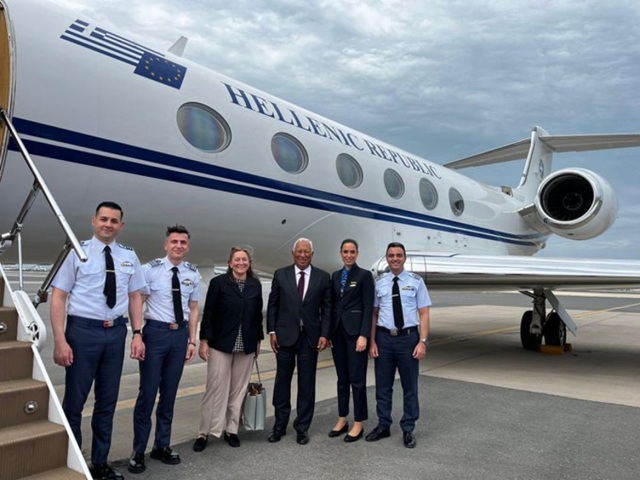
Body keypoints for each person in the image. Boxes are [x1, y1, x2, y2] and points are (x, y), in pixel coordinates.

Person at [51, 201, 146, 480]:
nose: (108, 224)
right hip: (83, 332)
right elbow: (59, 297)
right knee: (75, 403)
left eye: (114, 221)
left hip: (115, 333)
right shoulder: (76, 251)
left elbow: (135, 296)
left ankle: (100, 463)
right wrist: (60, 340)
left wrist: (137, 333)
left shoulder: (128, 255)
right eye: (103, 219)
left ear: (121, 226)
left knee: (107, 402)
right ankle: (73, 462)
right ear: (94, 221)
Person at [128, 225, 201, 474]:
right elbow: (138, 302)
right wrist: (137, 334)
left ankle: (162, 445)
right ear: (165, 244)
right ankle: (139, 450)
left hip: (179, 336)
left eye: (183, 242)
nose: (178, 246)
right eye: (174, 242)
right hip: (155, 334)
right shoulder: (150, 270)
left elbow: (193, 308)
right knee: (147, 394)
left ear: (187, 246)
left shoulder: (192, 273)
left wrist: (192, 341)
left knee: (169, 395)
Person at [193, 246, 264, 452]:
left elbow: (257, 315)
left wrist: (258, 340)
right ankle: (204, 432)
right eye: (237, 259)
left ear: (249, 263)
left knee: (238, 390)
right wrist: (204, 340)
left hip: (246, 343)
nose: (241, 263)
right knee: (215, 388)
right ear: (230, 263)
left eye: (244, 259)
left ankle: (231, 430)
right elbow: (209, 313)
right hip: (220, 343)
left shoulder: (255, 284)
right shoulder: (219, 283)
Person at [366, 242, 431, 449]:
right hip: (384, 339)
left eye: (399, 255)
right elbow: (374, 314)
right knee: (383, 387)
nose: (395, 258)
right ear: (387, 258)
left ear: (404, 258)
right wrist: (372, 341)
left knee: (410, 387)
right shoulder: (379, 283)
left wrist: (422, 342)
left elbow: (424, 313)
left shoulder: (416, 282)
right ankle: (383, 425)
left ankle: (408, 428)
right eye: (391, 255)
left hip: (408, 340)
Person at [267, 238, 331, 445]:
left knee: (307, 384)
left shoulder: (323, 277)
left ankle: (302, 427)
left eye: (306, 252)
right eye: (299, 251)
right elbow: (273, 304)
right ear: (293, 253)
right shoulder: (281, 274)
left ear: (312, 254)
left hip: (309, 338)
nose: (303, 255)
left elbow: (327, 309)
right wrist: (272, 331)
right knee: (282, 383)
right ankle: (279, 426)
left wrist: (324, 334)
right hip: (285, 337)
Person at [328, 239, 374, 442]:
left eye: (352, 252)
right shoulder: (335, 276)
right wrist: (329, 333)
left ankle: (358, 422)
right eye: (345, 251)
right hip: (338, 334)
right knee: (342, 379)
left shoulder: (364, 275)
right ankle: (342, 418)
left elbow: (368, 307)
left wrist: (364, 335)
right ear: (340, 253)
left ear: (357, 254)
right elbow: (332, 306)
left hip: (356, 335)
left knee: (357, 380)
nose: (348, 255)